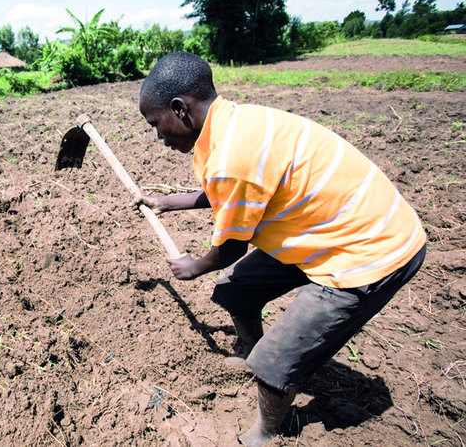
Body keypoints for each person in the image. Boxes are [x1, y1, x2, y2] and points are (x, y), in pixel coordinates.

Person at [133, 52, 426, 446]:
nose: (158, 135)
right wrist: (169, 202)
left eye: (156, 124)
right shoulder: (235, 122)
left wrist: (194, 267)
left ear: (179, 109)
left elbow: (231, 246)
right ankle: (256, 355)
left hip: (369, 250)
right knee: (236, 290)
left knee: (276, 362)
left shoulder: (231, 156)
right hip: (323, 228)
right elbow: (237, 186)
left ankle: (269, 430)